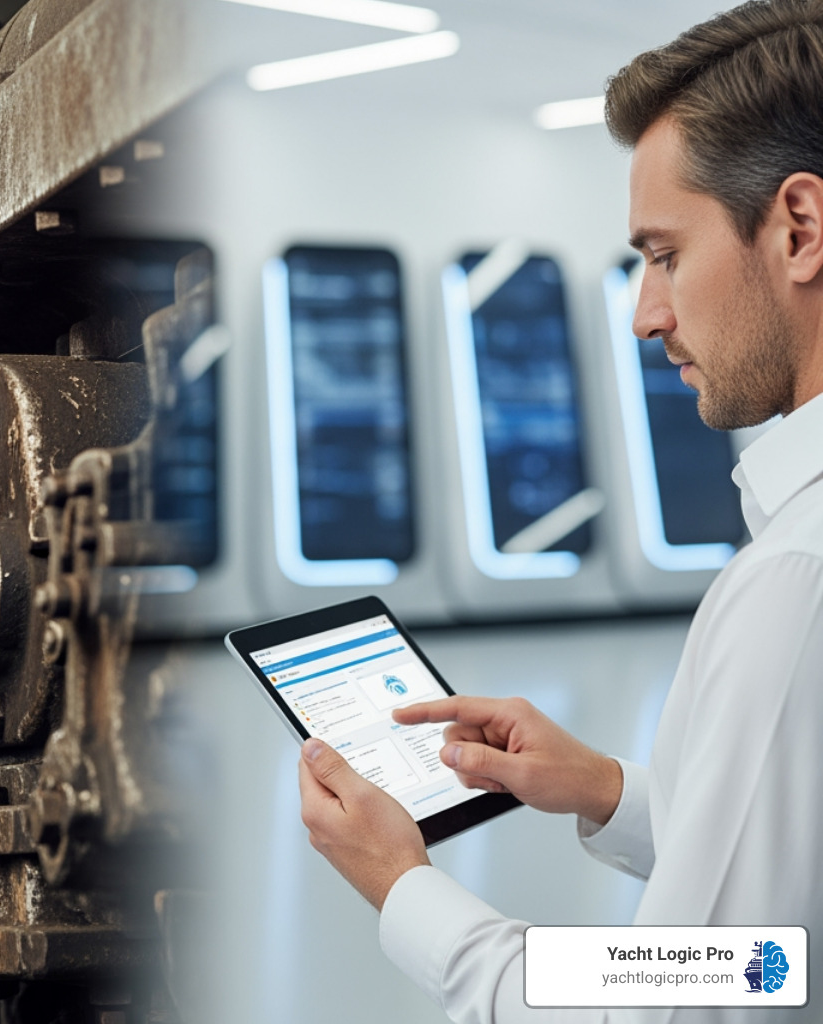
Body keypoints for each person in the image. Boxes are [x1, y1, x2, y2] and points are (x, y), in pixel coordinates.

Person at [294, 2, 823, 1021]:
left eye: (664, 253)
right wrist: (608, 790)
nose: (645, 313)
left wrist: (404, 889)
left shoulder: (795, 584)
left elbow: (710, 989)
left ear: (799, 228)